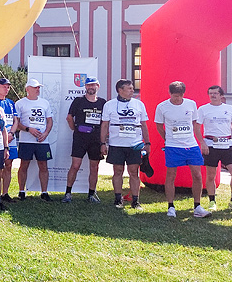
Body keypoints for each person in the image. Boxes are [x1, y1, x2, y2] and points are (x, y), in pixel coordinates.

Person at [154, 81, 207, 218]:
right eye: (174, 96)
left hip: (191, 144)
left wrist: (200, 140)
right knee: (171, 175)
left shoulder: (191, 104)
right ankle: (171, 206)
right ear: (169, 93)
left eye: (180, 96)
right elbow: (159, 125)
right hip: (173, 146)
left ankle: (197, 206)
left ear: (184, 94)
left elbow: (195, 123)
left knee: (197, 175)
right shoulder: (162, 107)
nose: (177, 99)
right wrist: (167, 139)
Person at [100, 78, 150, 212]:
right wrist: (103, 143)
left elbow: (144, 124)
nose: (132, 90)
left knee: (134, 172)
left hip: (134, 144)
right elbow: (104, 125)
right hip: (117, 144)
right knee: (118, 171)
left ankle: (135, 200)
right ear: (120, 90)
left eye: (133, 88)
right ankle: (117, 198)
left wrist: (148, 142)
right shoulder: (109, 105)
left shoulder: (139, 104)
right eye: (129, 88)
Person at [197, 85, 232, 212]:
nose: (213, 95)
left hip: (227, 144)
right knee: (211, 175)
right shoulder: (203, 109)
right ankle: (212, 201)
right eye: (210, 93)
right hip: (211, 145)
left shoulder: (229, 108)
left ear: (221, 95)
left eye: (215, 93)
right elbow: (196, 127)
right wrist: (202, 143)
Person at [63, 76, 104, 203]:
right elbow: (69, 117)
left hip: (96, 140)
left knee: (94, 167)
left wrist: (103, 141)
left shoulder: (103, 103)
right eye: (88, 85)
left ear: (98, 86)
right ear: (85, 87)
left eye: (93, 85)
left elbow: (105, 123)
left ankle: (91, 194)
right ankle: (68, 193)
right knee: (75, 165)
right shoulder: (78, 101)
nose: (91, 87)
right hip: (80, 139)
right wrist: (75, 130)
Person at [13, 78, 53, 201]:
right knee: (24, 165)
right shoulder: (20, 103)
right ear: (27, 89)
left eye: (38, 87)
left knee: (43, 165)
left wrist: (45, 133)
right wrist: (28, 129)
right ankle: (21, 191)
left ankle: (44, 192)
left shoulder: (45, 103)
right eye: (35, 87)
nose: (37, 89)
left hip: (42, 141)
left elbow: (50, 121)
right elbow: (16, 123)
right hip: (26, 140)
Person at [0, 77, 18, 204]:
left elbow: (15, 121)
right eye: (4, 86)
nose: (6, 89)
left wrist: (12, 133)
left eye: (8, 86)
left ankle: (5, 193)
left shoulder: (10, 103)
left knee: (8, 165)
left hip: (10, 137)